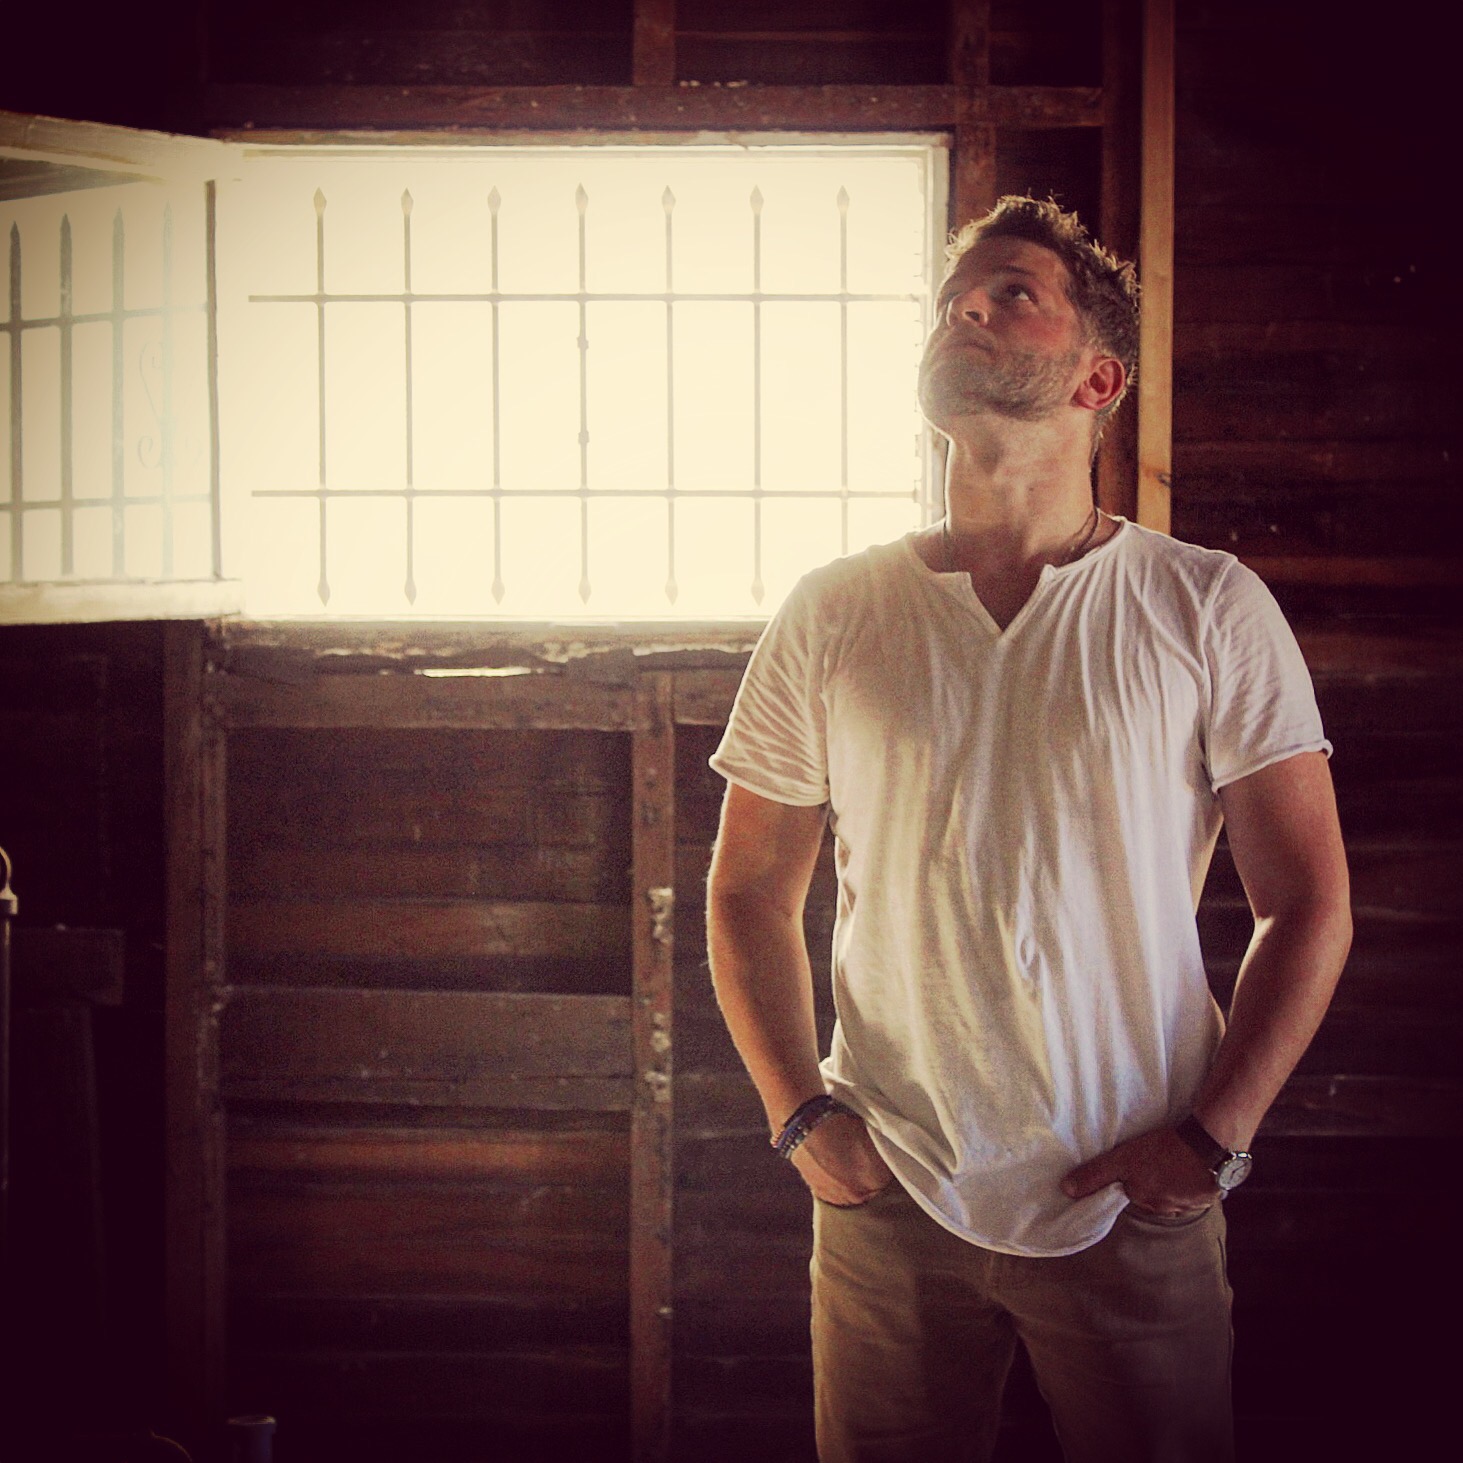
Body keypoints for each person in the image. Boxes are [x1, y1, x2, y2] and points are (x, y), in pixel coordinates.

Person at [704, 196, 1352, 1463]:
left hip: (1129, 1193)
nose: (967, 307)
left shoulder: (1202, 604)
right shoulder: (833, 611)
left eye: (1013, 293)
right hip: (890, 1187)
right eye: (956, 297)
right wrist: (798, 1116)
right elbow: (746, 893)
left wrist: (1212, 1138)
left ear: (1096, 378)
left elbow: (1307, 901)